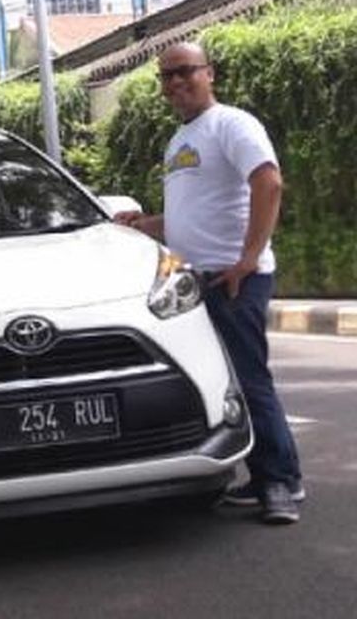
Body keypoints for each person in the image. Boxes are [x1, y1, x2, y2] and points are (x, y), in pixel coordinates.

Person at [115, 42, 303, 525]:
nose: (175, 83)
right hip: (192, 282)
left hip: (232, 278)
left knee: (248, 379)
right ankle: (257, 474)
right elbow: (187, 216)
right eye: (166, 77)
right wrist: (145, 224)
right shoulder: (179, 141)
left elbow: (269, 182)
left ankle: (280, 481)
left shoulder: (232, 124)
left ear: (209, 73)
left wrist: (247, 258)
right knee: (219, 381)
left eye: (184, 72)